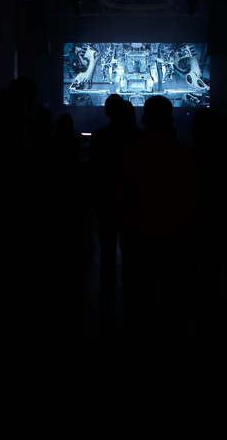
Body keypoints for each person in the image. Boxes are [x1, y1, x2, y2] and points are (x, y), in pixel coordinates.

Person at [114, 95, 199, 355]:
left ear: (143, 119)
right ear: (171, 120)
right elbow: (192, 201)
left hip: (137, 236)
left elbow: (120, 198)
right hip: (174, 237)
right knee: (173, 298)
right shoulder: (184, 155)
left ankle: (137, 349)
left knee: (137, 298)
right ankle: (169, 348)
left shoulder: (128, 153)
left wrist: (129, 226)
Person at [90, 95, 141, 305]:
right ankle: (130, 286)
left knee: (107, 248)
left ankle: (106, 288)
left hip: (106, 198)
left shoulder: (98, 137)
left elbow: (95, 171)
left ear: (106, 111)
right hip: (130, 199)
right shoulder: (136, 137)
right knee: (130, 248)